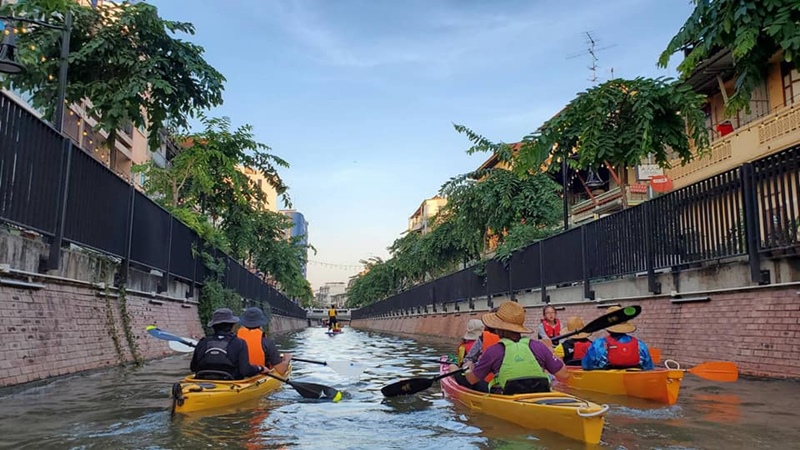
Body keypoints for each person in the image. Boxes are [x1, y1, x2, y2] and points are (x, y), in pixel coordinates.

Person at [459, 301, 570, 395]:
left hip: (508, 398)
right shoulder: (539, 346)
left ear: (498, 328)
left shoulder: (493, 351)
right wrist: (550, 349)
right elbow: (564, 374)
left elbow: (472, 380)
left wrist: (467, 366)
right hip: (539, 397)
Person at [190, 308, 269, 380]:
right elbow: (245, 371)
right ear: (232, 325)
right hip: (231, 382)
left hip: (202, 381)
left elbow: (193, 367)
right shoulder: (240, 343)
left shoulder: (203, 342)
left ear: (213, 326)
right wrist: (260, 368)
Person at [582, 306, 654, 371]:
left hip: (606, 380)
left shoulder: (598, 344)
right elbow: (649, 368)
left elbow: (586, 366)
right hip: (635, 381)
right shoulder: (640, 345)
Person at [237, 307, 292, 376]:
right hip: (258, 375)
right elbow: (281, 370)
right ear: (261, 323)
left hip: (238, 377)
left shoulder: (234, 340)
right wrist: (287, 359)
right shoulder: (267, 343)